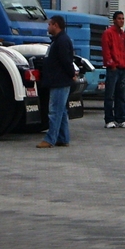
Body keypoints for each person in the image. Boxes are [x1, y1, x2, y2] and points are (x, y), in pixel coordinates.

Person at [37, 15, 75, 149]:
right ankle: (63, 138)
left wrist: (71, 74)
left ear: (55, 25)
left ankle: (50, 139)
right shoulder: (58, 40)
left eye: (49, 24)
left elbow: (66, 61)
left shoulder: (62, 41)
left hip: (59, 81)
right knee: (61, 111)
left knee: (54, 112)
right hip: (58, 80)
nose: (48, 27)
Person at [102, 11, 125, 128]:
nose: (121, 21)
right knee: (110, 95)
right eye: (119, 18)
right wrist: (112, 64)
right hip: (113, 68)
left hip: (123, 68)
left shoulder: (123, 35)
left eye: (123, 18)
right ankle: (109, 119)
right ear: (114, 20)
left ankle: (120, 119)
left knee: (121, 94)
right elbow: (106, 51)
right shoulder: (108, 33)